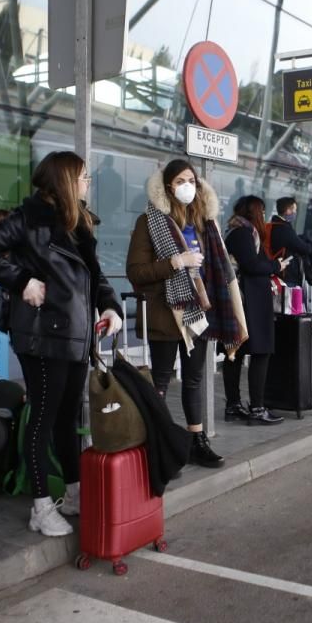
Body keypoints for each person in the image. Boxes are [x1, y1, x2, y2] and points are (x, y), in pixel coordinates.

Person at [0, 152, 123, 537]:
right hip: (42, 335)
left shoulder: (79, 222)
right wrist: (22, 280)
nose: (88, 182)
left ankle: (73, 494)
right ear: (66, 180)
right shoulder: (29, 219)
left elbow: (94, 275)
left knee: (67, 419)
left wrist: (110, 306)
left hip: (76, 334)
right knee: (42, 418)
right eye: (84, 176)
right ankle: (40, 507)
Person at [126, 159, 248, 467]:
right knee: (162, 380)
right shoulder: (150, 221)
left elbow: (219, 269)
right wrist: (175, 262)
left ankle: (197, 440)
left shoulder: (206, 223)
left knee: (194, 379)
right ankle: (157, 443)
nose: (187, 186)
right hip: (166, 312)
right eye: (180, 180)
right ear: (167, 186)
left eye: (191, 180)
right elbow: (136, 272)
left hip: (200, 311)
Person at [223, 196, 289, 425]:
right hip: (250, 302)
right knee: (260, 352)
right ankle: (257, 408)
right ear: (253, 212)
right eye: (261, 211)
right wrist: (276, 266)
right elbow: (252, 266)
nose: (263, 216)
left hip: (245, 300)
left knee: (237, 353)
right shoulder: (243, 234)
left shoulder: (238, 231)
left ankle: (233, 406)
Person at [267, 196, 312, 293]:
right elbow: (304, 248)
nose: (295, 213)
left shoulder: (273, 225)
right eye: (294, 210)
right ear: (288, 210)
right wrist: (311, 246)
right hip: (287, 276)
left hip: (276, 271)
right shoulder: (284, 229)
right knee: (292, 305)